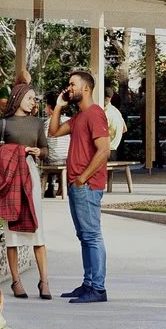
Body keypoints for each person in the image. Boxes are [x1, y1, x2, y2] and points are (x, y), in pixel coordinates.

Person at [49, 69, 112, 302]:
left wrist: (83, 178)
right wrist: (58, 106)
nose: (69, 88)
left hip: (86, 185)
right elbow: (53, 131)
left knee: (92, 236)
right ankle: (88, 284)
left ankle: (97, 288)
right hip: (78, 185)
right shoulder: (79, 118)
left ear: (86, 88)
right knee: (84, 236)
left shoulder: (95, 114)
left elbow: (104, 150)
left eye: (73, 84)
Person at [0, 90, 50, 299]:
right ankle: (16, 281)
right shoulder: (2, 124)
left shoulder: (37, 123)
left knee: (37, 227)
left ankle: (44, 281)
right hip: (10, 176)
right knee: (11, 231)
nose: (34, 101)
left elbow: (45, 149)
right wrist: (11, 151)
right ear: (18, 98)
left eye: (34, 98)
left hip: (30, 173)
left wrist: (38, 152)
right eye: (30, 97)